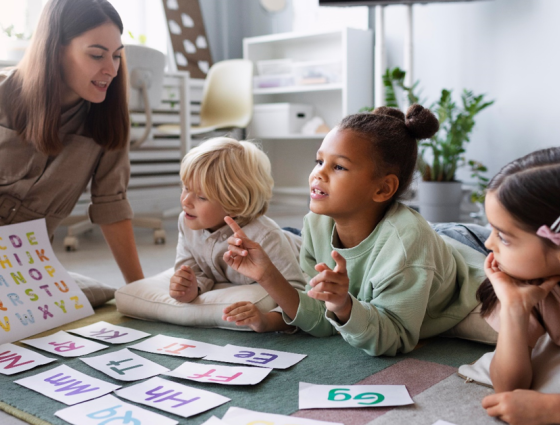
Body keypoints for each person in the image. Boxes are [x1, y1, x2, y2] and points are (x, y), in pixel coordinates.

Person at [223, 105, 488, 356]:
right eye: (319, 161)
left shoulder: (408, 245)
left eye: (338, 166)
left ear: (383, 188)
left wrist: (344, 305)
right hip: (430, 236)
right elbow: (321, 319)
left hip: (470, 244)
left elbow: (394, 338)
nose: (318, 174)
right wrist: (267, 274)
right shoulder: (315, 223)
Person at [0, 0, 144, 284]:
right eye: (96, 55)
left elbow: (111, 204)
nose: (112, 70)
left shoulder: (108, 121)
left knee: (101, 298)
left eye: (116, 56)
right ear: (55, 50)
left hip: (25, 271)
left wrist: (140, 289)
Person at [169, 137, 306, 332]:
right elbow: (192, 269)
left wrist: (267, 321)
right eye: (186, 188)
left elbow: (297, 296)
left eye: (201, 197)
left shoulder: (266, 237)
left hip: (298, 243)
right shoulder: (187, 221)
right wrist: (191, 287)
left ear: (234, 204)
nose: (186, 201)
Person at [473, 148, 560, 424]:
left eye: (504, 237)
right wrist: (514, 307)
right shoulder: (536, 285)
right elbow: (509, 389)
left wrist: (551, 409)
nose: (490, 243)